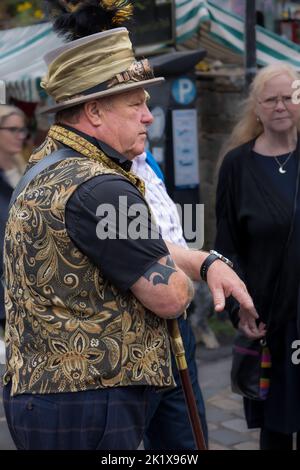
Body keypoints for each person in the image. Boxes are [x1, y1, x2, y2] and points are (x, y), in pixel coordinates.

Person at [2, 1, 257, 450]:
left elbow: (127, 242)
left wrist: (205, 260)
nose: (148, 115)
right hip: (91, 399)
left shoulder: (45, 165)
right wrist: (187, 273)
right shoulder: (99, 185)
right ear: (95, 111)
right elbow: (170, 297)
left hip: (50, 394)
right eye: (136, 103)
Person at [215, 63, 300, 450]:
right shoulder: (237, 166)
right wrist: (239, 309)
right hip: (270, 319)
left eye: (290, 98)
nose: (281, 106)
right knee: (277, 429)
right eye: (271, 99)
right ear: (257, 108)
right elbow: (227, 247)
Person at [131, 151, 208, 449]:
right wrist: (206, 264)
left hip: (178, 324)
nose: (148, 117)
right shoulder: (100, 171)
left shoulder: (147, 160)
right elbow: (138, 241)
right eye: (135, 104)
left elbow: (167, 237)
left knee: (187, 435)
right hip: (137, 328)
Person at [0, 105, 26, 333]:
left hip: (23, 279)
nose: (21, 136)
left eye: (23, 130)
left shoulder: (25, 170)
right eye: (13, 129)